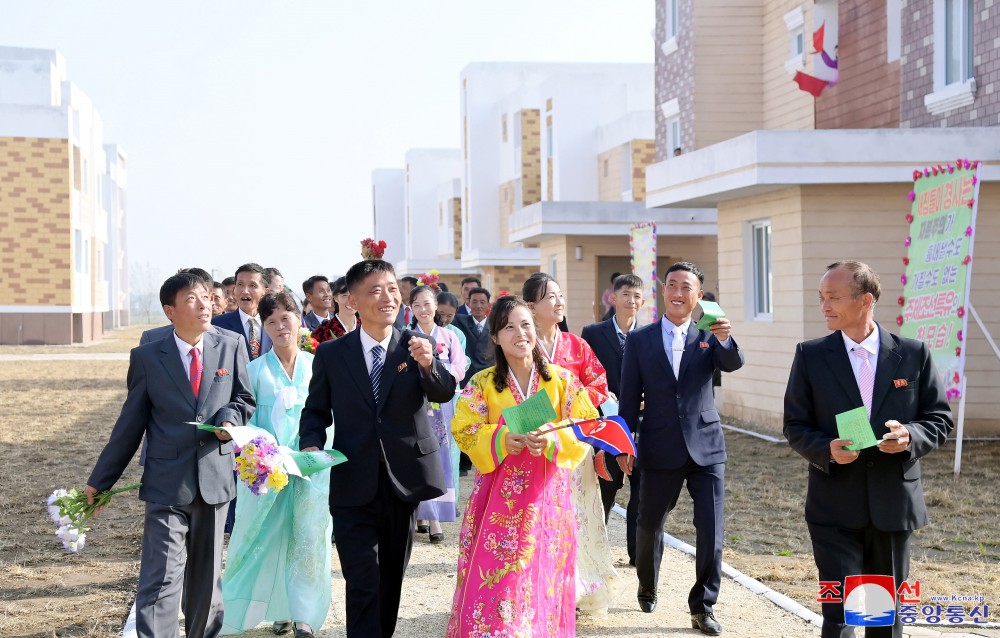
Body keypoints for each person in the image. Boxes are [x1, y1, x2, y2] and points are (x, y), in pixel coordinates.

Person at [783, 260, 953, 638]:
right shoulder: (811, 355)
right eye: (821, 297)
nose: (824, 306)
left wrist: (910, 436)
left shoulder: (912, 354)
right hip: (833, 506)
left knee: (882, 617)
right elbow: (794, 425)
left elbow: (939, 420)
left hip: (893, 506)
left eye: (834, 297)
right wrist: (826, 448)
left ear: (866, 300)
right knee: (840, 615)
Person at [85, 271, 255, 638]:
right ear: (170, 311)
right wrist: (100, 482)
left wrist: (229, 418)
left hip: (215, 481)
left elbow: (244, 399)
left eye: (207, 297)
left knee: (206, 585)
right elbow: (129, 425)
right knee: (160, 578)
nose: (204, 305)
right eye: (192, 299)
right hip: (166, 484)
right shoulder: (148, 357)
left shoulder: (231, 344)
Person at [298, 259, 456, 638]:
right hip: (352, 482)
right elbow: (315, 411)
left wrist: (429, 365)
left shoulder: (417, 345)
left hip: (403, 482)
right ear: (352, 300)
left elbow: (443, 391)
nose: (387, 297)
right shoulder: (332, 354)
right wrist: (311, 446)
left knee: (389, 581)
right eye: (375, 290)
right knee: (362, 579)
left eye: (391, 288)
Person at [446, 295, 592, 637]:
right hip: (500, 497)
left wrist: (554, 439)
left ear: (536, 329)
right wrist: (499, 438)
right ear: (495, 337)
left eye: (525, 324)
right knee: (499, 575)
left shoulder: (562, 381)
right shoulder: (482, 384)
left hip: (547, 497)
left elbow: (585, 423)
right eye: (508, 327)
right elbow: (464, 428)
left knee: (543, 572)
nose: (519, 333)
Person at [618, 261, 744, 635]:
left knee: (711, 529)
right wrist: (625, 445)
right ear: (663, 292)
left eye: (686, 286)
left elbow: (733, 363)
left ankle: (703, 607)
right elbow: (628, 399)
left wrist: (724, 337)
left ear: (698, 296)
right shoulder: (640, 340)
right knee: (649, 523)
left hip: (706, 447)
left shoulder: (709, 335)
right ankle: (647, 581)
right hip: (658, 445)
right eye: (671, 284)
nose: (677, 291)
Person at [221, 291, 332, 638]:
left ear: (300, 320)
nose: (281, 327)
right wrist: (265, 451)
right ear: (264, 327)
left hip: (309, 469)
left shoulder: (318, 367)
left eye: (287, 318)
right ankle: (246, 608)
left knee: (308, 539)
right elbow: (245, 420)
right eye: (272, 321)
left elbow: (332, 419)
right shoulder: (253, 370)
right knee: (258, 537)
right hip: (268, 471)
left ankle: (303, 616)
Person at [522, 272, 622, 616]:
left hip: (573, 445)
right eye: (551, 297)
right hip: (534, 446)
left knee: (577, 516)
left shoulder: (577, 346)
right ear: (532, 307)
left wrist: (572, 402)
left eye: (561, 295)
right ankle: (538, 586)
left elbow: (599, 385)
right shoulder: (521, 346)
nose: (560, 302)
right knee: (539, 517)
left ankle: (578, 586)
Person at [581, 273, 645, 565]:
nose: (631, 301)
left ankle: (637, 554)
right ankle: (597, 552)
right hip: (605, 427)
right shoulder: (593, 334)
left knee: (642, 493)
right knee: (604, 490)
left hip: (643, 426)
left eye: (636, 296)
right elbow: (584, 376)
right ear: (613, 297)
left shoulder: (650, 335)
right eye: (626, 294)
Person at [409, 285, 467, 542]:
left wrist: (441, 376)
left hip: (443, 402)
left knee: (442, 454)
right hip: (415, 402)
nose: (423, 309)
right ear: (411, 309)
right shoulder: (406, 336)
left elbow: (460, 366)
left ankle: (434, 516)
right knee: (419, 455)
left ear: (435, 306)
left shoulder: (450, 336)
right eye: (417, 305)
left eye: (427, 304)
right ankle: (423, 515)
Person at [436, 291, 471, 509]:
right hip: (426, 396)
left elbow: (461, 365)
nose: (445, 319)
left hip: (451, 395)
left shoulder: (457, 334)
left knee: (451, 450)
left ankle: (450, 501)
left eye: (449, 315)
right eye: (441, 313)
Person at [213, 263, 273, 361]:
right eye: (240, 284)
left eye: (252, 285)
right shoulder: (217, 325)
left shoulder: (274, 323)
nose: (245, 291)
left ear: (265, 292)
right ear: (234, 289)